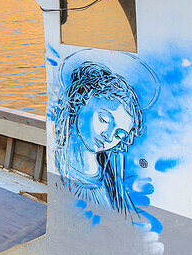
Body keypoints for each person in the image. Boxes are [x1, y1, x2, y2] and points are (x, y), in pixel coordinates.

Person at [51, 60, 145, 216]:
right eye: (104, 120)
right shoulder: (58, 161)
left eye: (118, 134)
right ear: (80, 102)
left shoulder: (112, 172)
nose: (108, 137)